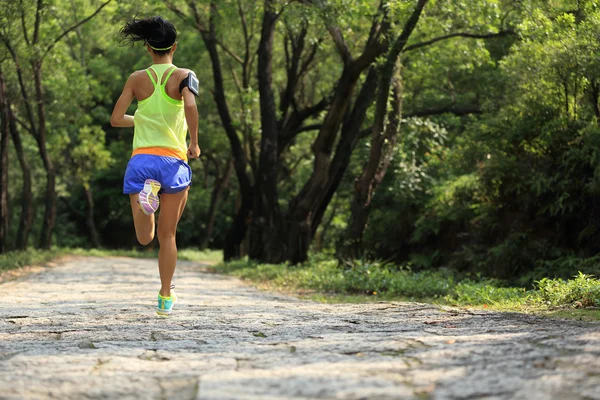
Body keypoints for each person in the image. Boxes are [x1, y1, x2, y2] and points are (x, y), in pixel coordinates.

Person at [110, 16, 201, 316]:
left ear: (148, 48)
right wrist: (195, 143)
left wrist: (141, 119)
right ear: (175, 46)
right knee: (167, 236)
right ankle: (165, 296)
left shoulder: (136, 79)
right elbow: (189, 105)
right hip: (173, 161)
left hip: (142, 161)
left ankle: (147, 200)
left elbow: (115, 119)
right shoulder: (185, 75)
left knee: (144, 237)